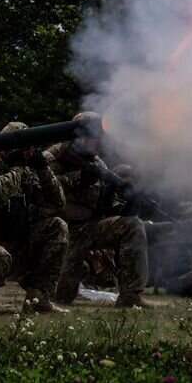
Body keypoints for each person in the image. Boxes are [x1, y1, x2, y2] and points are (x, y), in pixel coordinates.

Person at [47, 112, 152, 308]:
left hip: (87, 228)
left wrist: (127, 200)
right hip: (58, 230)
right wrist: (79, 178)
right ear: (78, 135)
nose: (96, 142)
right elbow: (41, 186)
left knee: (131, 225)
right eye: (91, 136)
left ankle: (130, 295)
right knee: (59, 297)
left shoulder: (96, 163)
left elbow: (105, 202)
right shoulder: (56, 155)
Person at [0, 122, 69, 313]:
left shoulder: (28, 171)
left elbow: (57, 202)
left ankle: (39, 299)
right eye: (24, 147)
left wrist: (42, 168)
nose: (28, 151)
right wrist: (17, 167)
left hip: (16, 241)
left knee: (57, 226)